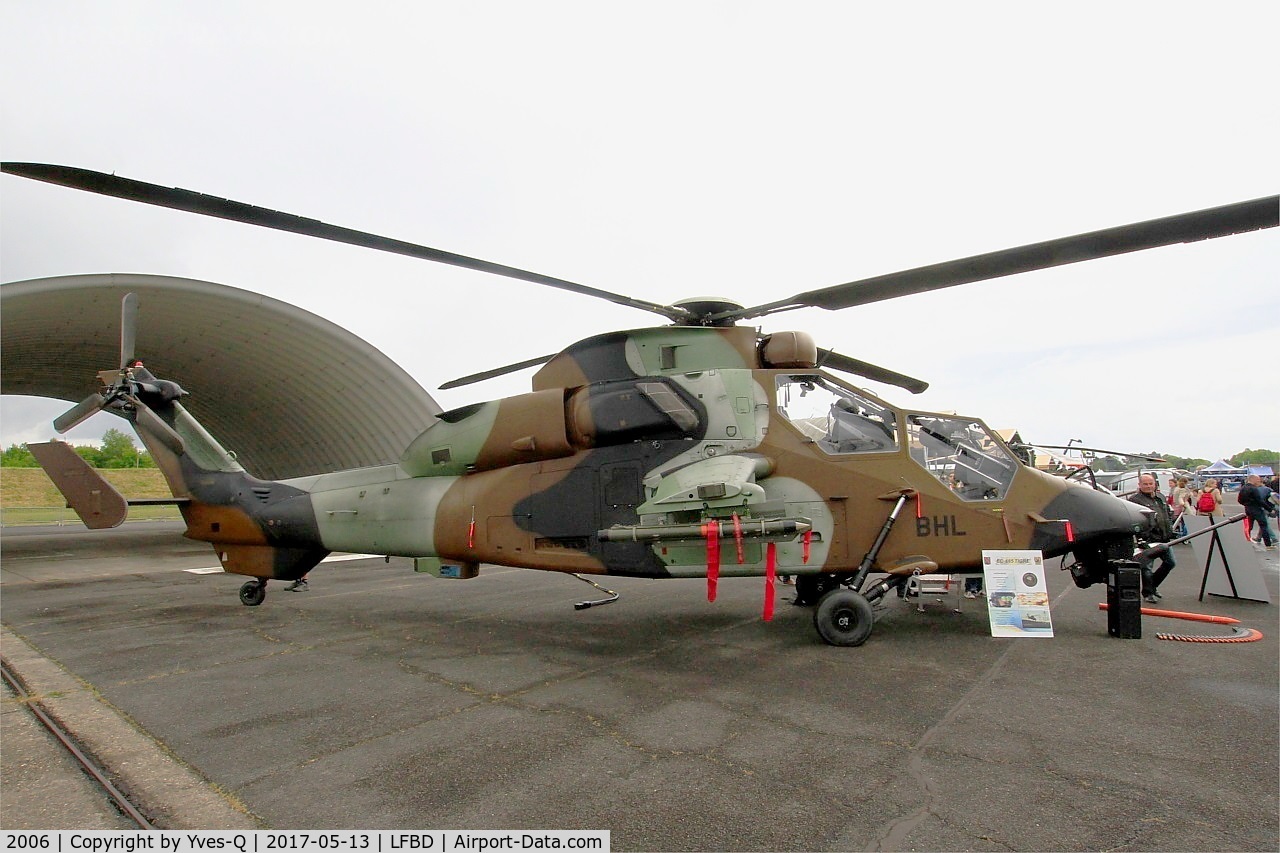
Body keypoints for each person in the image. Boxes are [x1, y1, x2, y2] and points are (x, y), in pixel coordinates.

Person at [1127, 474, 1176, 602]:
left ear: (1155, 484)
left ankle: (1152, 586)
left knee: (1170, 563)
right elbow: (1132, 521)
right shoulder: (1134, 500)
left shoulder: (1160, 497)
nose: (1148, 486)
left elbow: (1166, 514)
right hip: (1147, 539)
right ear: (1140, 485)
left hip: (1163, 537)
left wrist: (1170, 529)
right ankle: (1148, 593)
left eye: (1150, 483)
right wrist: (1140, 539)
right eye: (1145, 484)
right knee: (1147, 568)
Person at [1238, 474, 1275, 549]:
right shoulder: (1254, 489)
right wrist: (1270, 509)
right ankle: (1268, 545)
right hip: (1256, 509)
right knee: (1263, 525)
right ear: (1253, 479)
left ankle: (1246, 541)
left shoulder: (1243, 488)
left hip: (1248, 509)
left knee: (1249, 527)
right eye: (1257, 480)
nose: (1259, 481)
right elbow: (1260, 501)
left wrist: (1246, 504)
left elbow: (1239, 500)